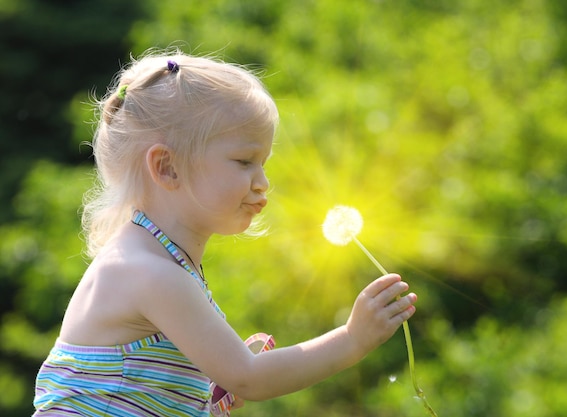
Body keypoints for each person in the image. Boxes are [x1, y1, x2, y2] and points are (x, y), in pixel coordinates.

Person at [33, 49, 418, 416]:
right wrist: (352, 339)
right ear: (167, 167)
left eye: (263, 163)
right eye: (244, 161)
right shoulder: (147, 271)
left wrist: (208, 389)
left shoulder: (164, 261)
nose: (263, 182)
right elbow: (250, 378)